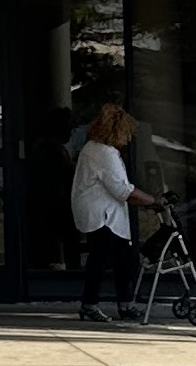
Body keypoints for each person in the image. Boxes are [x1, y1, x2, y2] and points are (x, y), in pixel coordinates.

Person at [69, 101, 161, 322]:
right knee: (103, 259)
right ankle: (93, 304)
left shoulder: (92, 149)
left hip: (99, 212)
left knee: (121, 258)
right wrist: (153, 201)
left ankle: (120, 303)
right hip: (102, 215)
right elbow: (122, 190)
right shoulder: (103, 153)